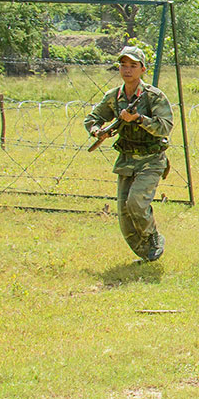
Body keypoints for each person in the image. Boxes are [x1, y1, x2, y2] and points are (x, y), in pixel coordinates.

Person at [84, 43, 174, 262]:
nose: (127, 70)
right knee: (124, 216)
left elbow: (165, 126)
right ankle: (146, 255)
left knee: (136, 203)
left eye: (133, 65)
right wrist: (98, 131)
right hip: (126, 159)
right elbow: (92, 118)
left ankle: (152, 237)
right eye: (123, 65)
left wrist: (139, 119)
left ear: (143, 69)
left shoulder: (153, 97)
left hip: (151, 159)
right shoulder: (114, 96)